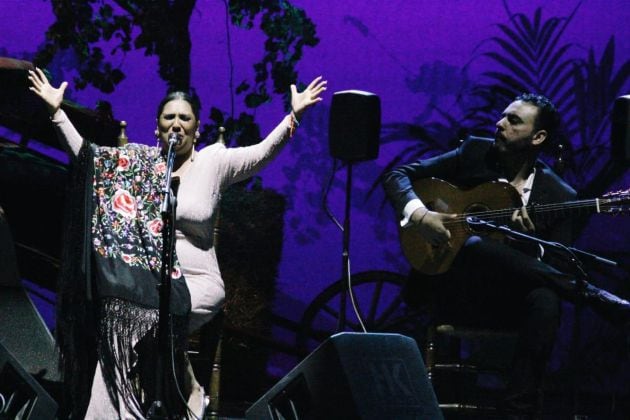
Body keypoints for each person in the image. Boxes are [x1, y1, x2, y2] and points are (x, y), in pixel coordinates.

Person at [28, 67, 326, 419]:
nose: (177, 124)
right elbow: (89, 161)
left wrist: (294, 116)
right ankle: (129, 409)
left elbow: (261, 153)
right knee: (121, 325)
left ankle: (184, 391)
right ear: (157, 127)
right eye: (169, 117)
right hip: (148, 283)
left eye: (185, 118)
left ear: (196, 129)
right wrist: (56, 113)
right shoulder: (139, 165)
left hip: (198, 283)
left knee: (150, 318)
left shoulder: (215, 162)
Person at [382, 93, 630, 415]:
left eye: (513, 121)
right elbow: (397, 176)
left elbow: (553, 266)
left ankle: (517, 410)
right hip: (453, 291)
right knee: (471, 246)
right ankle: (592, 294)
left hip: (506, 304)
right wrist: (421, 216)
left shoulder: (559, 195)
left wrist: (526, 242)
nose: (499, 124)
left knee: (546, 299)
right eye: (503, 117)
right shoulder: (474, 153)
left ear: (538, 137)